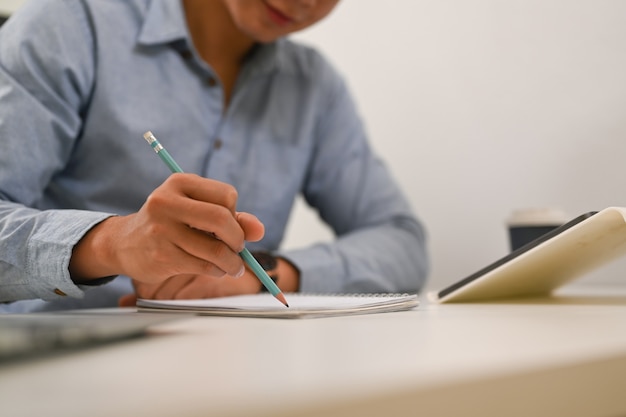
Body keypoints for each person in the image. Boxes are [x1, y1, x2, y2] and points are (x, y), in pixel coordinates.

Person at [0, 0, 429, 313]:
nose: (307, 2)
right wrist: (112, 243)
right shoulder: (70, 25)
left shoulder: (313, 86)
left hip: (234, 365)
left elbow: (402, 242)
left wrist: (266, 275)